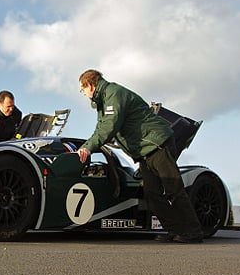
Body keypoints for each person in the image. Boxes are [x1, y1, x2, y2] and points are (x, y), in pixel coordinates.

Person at [76, 69, 204, 243]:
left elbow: (109, 127)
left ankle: (193, 231)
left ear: (90, 85)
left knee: (174, 188)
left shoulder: (114, 94)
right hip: (145, 151)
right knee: (152, 193)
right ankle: (174, 229)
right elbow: (101, 128)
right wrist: (86, 146)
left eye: (82, 90)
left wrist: (87, 148)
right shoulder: (103, 101)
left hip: (157, 144)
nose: (83, 94)